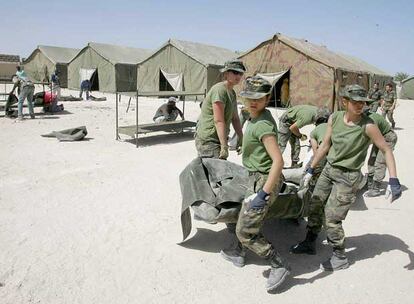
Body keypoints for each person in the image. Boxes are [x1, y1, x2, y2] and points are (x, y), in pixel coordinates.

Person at [290, 84, 402, 272]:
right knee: (315, 205)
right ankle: (310, 242)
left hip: (348, 177)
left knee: (332, 218)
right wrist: (310, 169)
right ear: (345, 101)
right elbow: (325, 146)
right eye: (356, 102)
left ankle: (339, 256)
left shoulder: (368, 125)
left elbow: (386, 149)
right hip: (329, 170)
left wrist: (393, 180)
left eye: (363, 102)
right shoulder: (334, 118)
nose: (360, 106)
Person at [220, 76, 289, 292]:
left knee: (245, 231)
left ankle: (278, 264)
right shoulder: (256, 116)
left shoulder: (263, 125)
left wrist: (264, 194)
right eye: (249, 97)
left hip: (264, 179)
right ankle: (239, 253)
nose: (253, 102)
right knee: (242, 212)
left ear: (268, 98)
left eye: (259, 98)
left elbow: (279, 161)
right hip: (254, 175)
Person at [195, 59, 245, 160]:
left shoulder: (231, 92)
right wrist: (224, 146)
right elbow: (218, 120)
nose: (238, 76)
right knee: (216, 172)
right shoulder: (220, 90)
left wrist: (241, 138)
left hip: (218, 137)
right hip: (209, 139)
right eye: (235, 72)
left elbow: (235, 118)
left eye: (241, 73)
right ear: (226, 73)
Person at [364, 107, 398, 197]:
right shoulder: (365, 118)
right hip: (379, 138)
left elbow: (368, 139)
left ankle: (376, 188)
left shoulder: (371, 120)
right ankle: (370, 182)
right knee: (372, 159)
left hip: (388, 138)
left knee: (380, 162)